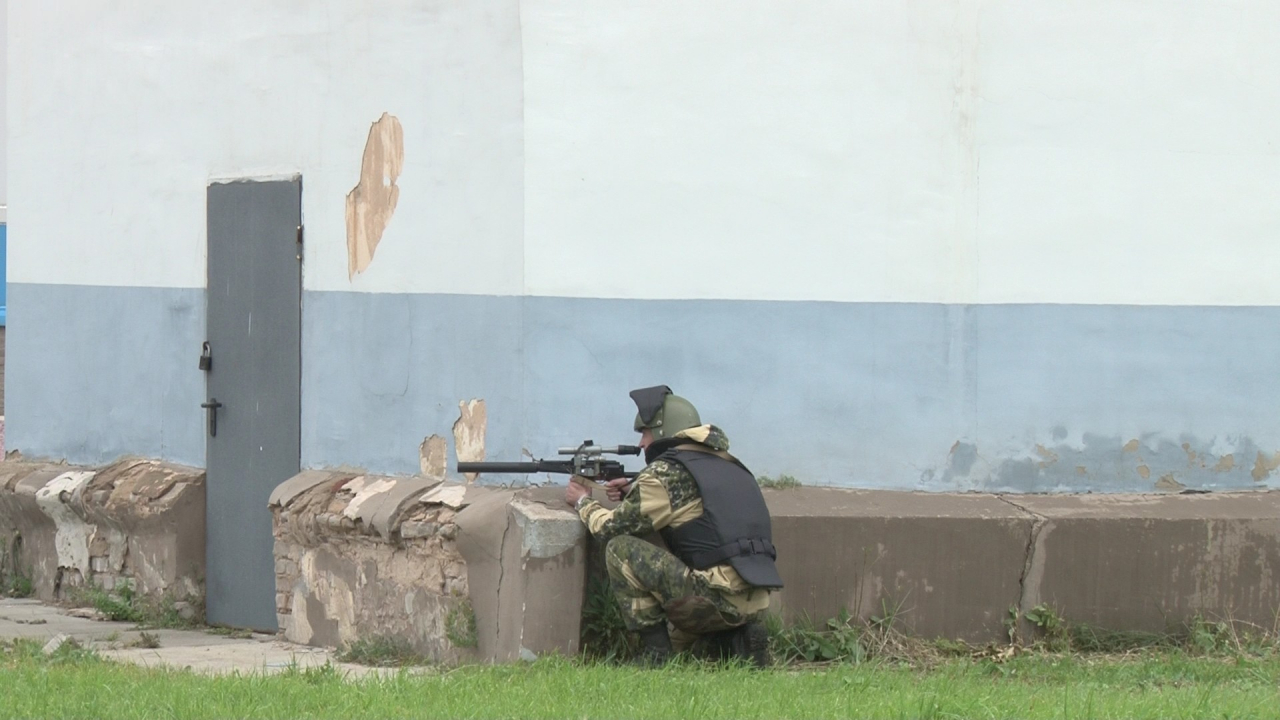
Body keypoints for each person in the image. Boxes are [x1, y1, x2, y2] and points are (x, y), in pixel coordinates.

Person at [564, 385, 784, 667]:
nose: (642, 443)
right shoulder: (731, 465)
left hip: (713, 600)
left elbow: (610, 529)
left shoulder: (666, 473)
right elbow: (698, 510)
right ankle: (738, 638)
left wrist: (582, 501)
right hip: (756, 600)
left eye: (645, 433)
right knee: (690, 634)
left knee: (620, 549)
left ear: (663, 430)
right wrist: (635, 489)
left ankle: (656, 655)